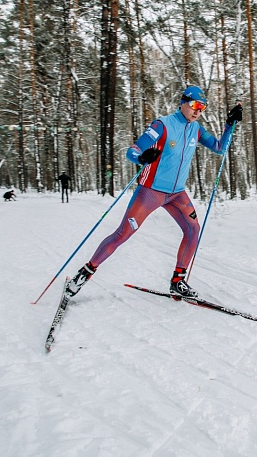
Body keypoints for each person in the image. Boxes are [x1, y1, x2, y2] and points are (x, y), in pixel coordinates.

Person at [65, 85, 242, 300]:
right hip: (151, 192)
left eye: (202, 108)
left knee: (193, 230)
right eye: (195, 105)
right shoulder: (163, 125)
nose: (198, 111)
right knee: (123, 234)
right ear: (183, 102)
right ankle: (85, 272)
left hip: (177, 194)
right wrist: (141, 158)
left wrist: (229, 124)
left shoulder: (196, 129)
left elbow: (219, 148)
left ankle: (178, 281)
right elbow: (133, 150)